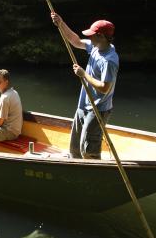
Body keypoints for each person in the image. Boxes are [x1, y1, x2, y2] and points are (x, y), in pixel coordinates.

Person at [51, 12, 119, 159]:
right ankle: (75, 166)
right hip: (84, 103)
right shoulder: (96, 47)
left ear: (101, 36)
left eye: (92, 35)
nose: (89, 38)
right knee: (75, 146)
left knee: (89, 149)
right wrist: (61, 23)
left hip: (98, 109)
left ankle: (94, 171)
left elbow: (104, 87)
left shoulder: (109, 60)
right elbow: (75, 41)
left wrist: (84, 75)